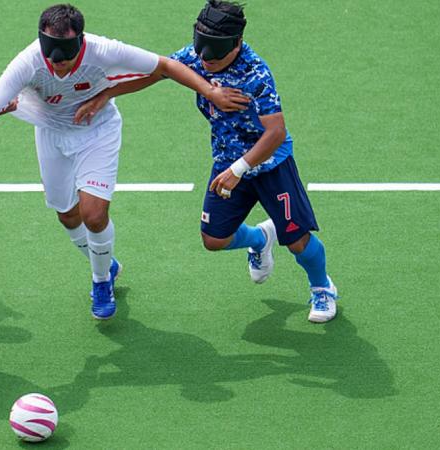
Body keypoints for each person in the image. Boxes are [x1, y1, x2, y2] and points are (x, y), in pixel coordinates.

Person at [0, 3, 250, 320]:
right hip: (51, 132)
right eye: (53, 59)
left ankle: (101, 282)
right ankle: (107, 264)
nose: (59, 67)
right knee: (67, 215)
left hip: (97, 131)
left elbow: (164, 66)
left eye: (66, 59)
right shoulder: (27, 62)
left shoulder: (103, 50)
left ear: (80, 42)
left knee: (94, 216)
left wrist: (210, 92)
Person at [78, 0, 338, 322]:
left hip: (270, 165)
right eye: (202, 51)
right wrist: (108, 93)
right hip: (227, 162)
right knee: (214, 239)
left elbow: (275, 133)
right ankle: (260, 238)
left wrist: (239, 169)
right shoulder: (197, 57)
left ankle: (321, 288)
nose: (206, 59)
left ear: (237, 44)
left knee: (298, 241)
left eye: (215, 53)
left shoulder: (256, 74)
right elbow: (159, 70)